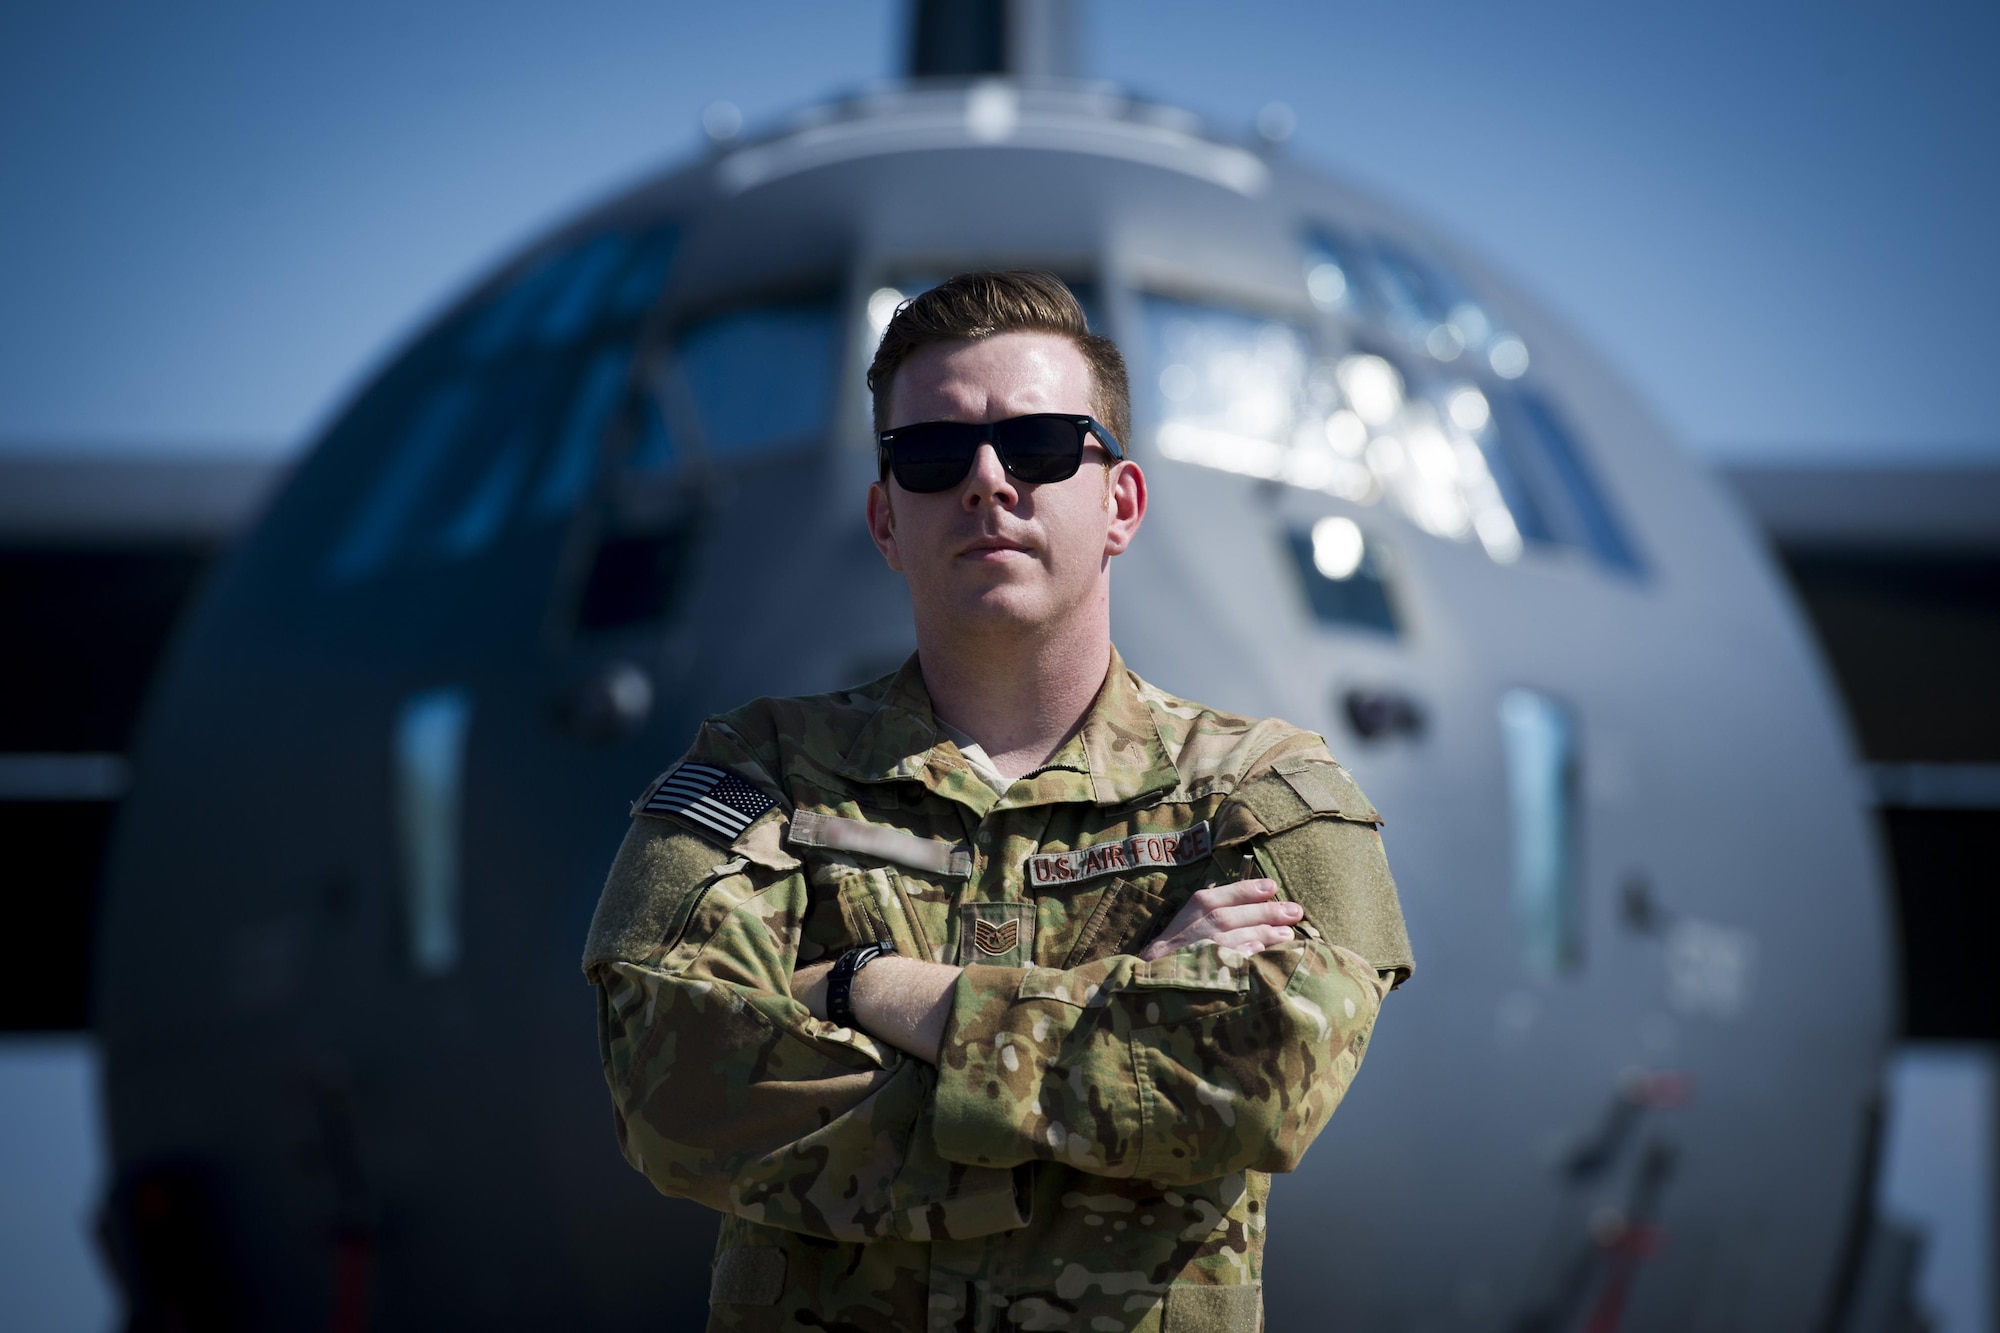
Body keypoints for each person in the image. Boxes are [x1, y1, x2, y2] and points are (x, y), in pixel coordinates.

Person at [583, 271, 1414, 1332]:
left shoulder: (1260, 799)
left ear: (1119, 502)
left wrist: (857, 984)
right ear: (886, 520)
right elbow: (680, 1091)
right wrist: (1119, 1028)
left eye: (1037, 448)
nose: (985, 482)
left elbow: (1257, 1084)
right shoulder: (758, 778)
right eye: (932, 456)